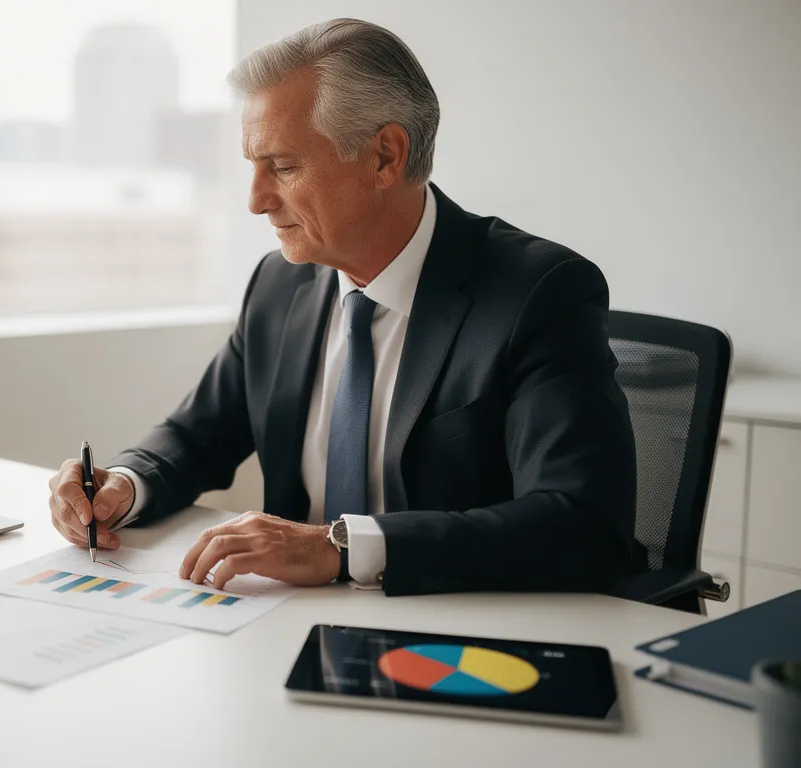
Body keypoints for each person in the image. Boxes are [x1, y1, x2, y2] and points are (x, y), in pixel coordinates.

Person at [46, 18, 638, 596]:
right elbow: (198, 435)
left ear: (384, 156)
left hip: (458, 631)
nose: (256, 201)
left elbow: (581, 521)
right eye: (252, 168)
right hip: (281, 623)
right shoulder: (280, 285)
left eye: (282, 167)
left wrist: (342, 548)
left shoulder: (539, 292)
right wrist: (123, 483)